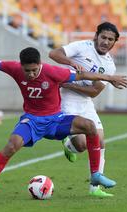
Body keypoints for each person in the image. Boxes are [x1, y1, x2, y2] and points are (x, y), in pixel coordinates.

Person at [0, 35, 127, 200]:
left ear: (40, 64)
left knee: (90, 127)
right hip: (32, 121)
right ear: (21, 66)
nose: (31, 74)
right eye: (27, 71)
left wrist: (109, 78)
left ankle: (95, 175)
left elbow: (83, 76)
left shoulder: (53, 71)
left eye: (34, 70)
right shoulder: (15, 69)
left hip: (56, 120)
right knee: (11, 146)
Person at [49, 21, 121, 197]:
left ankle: (95, 187)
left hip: (85, 101)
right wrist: (72, 62)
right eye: (103, 37)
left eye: (110, 39)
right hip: (66, 99)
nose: (105, 42)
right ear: (96, 36)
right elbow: (54, 54)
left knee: (100, 141)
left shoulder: (110, 65)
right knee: (81, 145)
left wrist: (71, 84)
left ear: (114, 43)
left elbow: (94, 92)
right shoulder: (82, 47)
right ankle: (69, 144)